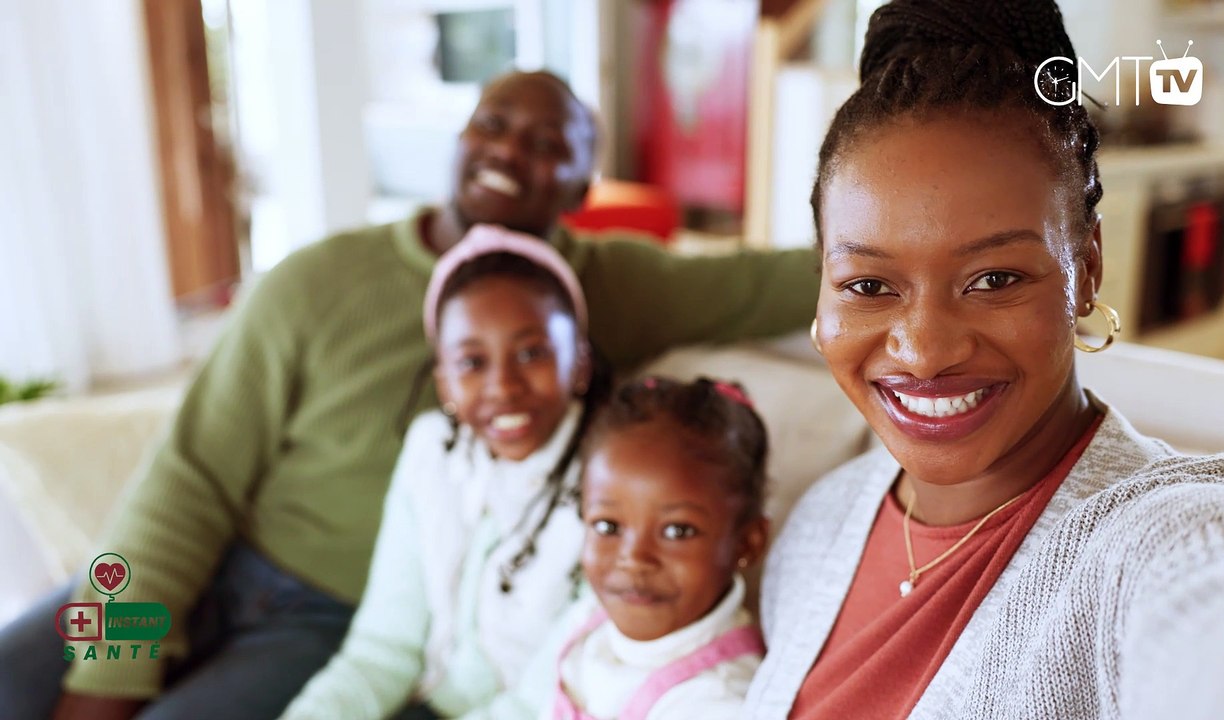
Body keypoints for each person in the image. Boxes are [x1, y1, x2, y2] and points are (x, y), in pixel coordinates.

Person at [0, 70, 818, 720]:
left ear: (579, 189)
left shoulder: (612, 285)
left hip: (324, 621)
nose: (508, 150)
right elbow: (187, 476)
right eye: (490, 124)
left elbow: (770, 282)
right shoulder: (318, 281)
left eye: (546, 142)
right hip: (210, 569)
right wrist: (109, 664)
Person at [745, 1, 1224, 719]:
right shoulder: (818, 528)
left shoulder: (1165, 542)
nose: (925, 351)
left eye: (995, 279)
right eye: (869, 286)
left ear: (1085, 269)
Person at [282, 225, 606, 719]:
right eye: (472, 361)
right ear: (445, 383)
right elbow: (382, 648)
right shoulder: (431, 450)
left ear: (580, 363)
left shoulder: (614, 483)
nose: (503, 386)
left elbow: (548, 695)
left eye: (531, 353)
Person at [543, 376, 771, 720]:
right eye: (607, 526)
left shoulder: (717, 700)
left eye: (677, 531)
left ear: (747, 542)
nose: (633, 559)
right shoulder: (590, 618)